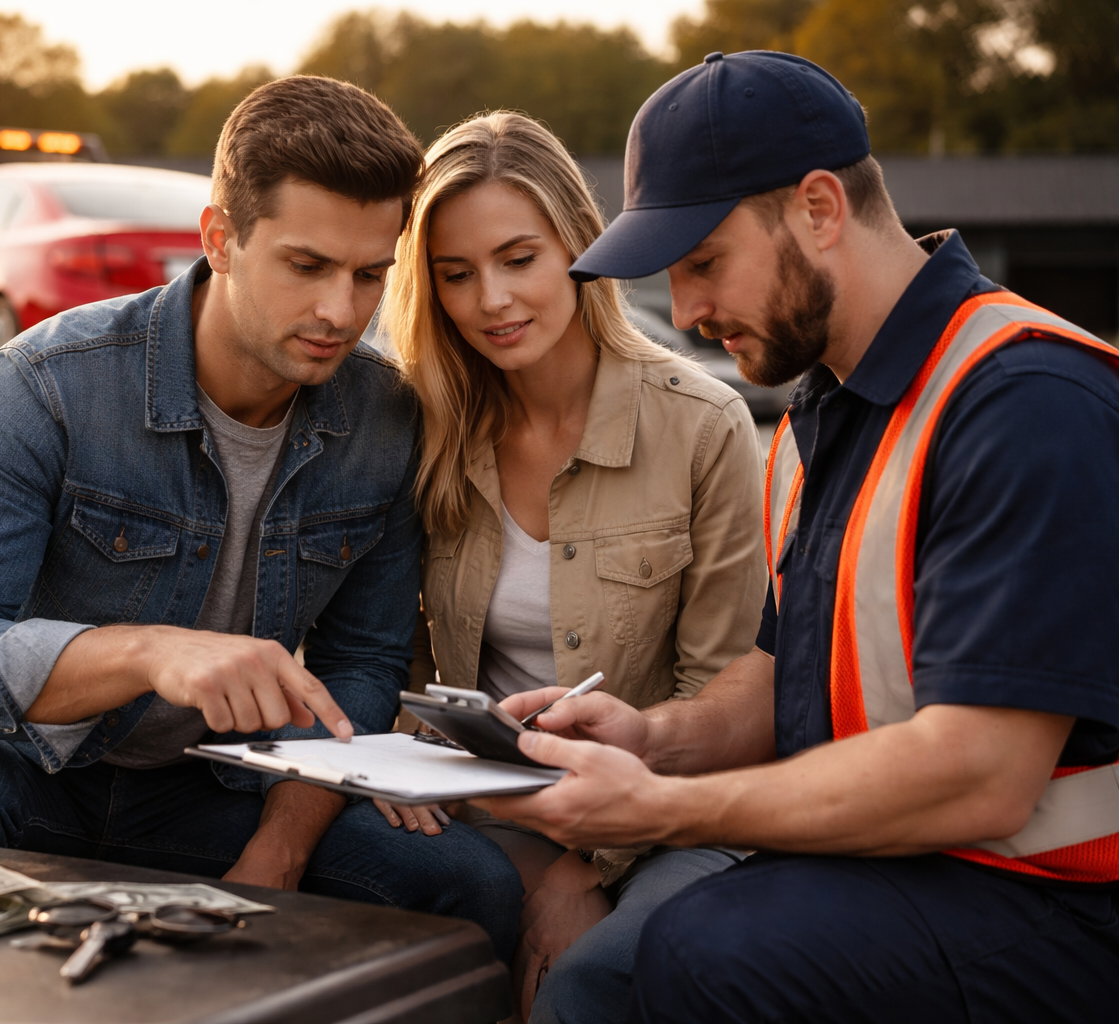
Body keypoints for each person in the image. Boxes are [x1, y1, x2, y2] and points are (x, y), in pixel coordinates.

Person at [473, 50, 1119, 1023]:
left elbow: (982, 775)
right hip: (900, 864)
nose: (684, 314)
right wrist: (654, 739)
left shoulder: (1025, 406)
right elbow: (788, 674)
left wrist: (662, 807)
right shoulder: (824, 416)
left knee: (707, 953)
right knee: (595, 985)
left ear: (819, 208)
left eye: (703, 263)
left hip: (1057, 906)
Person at [0, 75, 523, 961]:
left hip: (212, 787)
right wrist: (148, 651)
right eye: (308, 265)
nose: (341, 312)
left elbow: (361, 665)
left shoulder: (385, 421)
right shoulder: (50, 382)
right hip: (19, 771)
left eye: (371, 275)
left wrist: (277, 850)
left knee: (469, 883)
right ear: (221, 239)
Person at [378, 112, 768, 1019]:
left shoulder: (703, 427)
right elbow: (403, 671)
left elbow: (726, 700)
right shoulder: (423, 428)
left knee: (594, 985)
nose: (492, 301)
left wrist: (582, 860)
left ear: (579, 248)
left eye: (520, 259)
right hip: (479, 814)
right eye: (457, 275)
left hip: (664, 821)